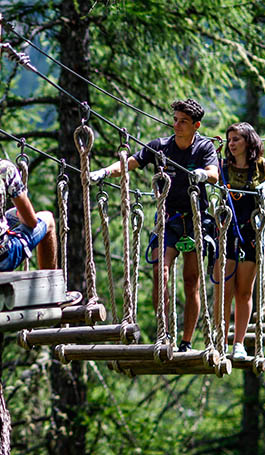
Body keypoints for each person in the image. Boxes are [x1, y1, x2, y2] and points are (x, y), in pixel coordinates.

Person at [90, 98, 219, 351]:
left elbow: (214, 173)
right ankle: (164, 334)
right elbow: (131, 163)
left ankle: (186, 341)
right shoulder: (160, 148)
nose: (177, 125)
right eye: (175, 120)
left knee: (192, 280)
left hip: (194, 221)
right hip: (168, 220)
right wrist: (105, 171)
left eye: (183, 121)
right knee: (161, 274)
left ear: (196, 125)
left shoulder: (204, 148)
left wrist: (202, 174)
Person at [213, 122, 265, 358]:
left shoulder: (263, 166)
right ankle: (220, 339)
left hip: (251, 232)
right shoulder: (222, 167)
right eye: (230, 140)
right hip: (227, 230)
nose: (232, 143)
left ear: (248, 141)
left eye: (236, 139)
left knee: (244, 292)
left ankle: (238, 343)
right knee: (224, 290)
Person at [0, 118, 58, 271]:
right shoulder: (4, 168)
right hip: (0, 257)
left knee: (11, 215)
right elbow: (32, 222)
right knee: (48, 219)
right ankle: (51, 289)